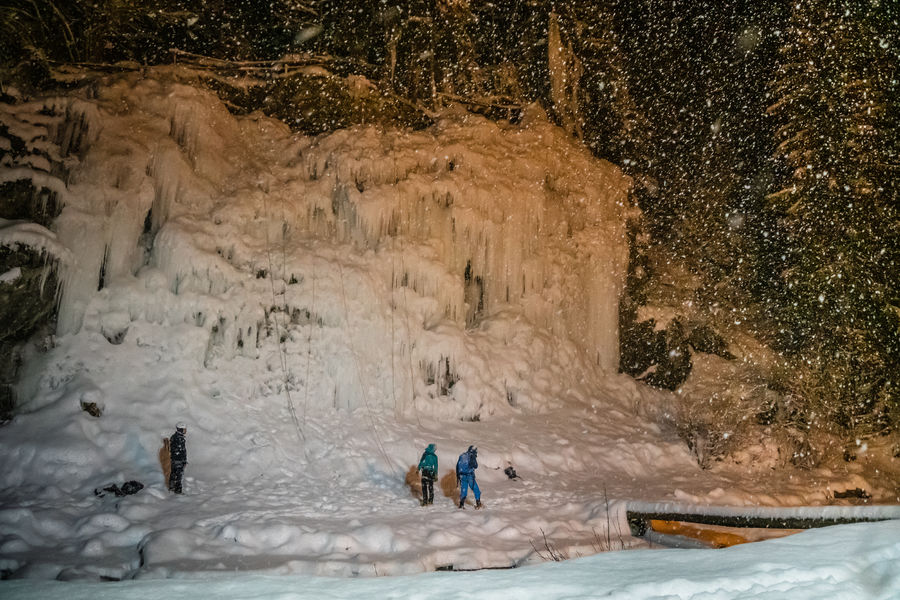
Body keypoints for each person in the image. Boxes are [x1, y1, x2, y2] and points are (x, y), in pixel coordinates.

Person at [455, 445, 482, 509]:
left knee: (464, 490)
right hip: (469, 476)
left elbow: (457, 466)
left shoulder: (462, 455)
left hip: (462, 475)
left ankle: (461, 505)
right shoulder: (472, 456)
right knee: (475, 489)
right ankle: (478, 503)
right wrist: (474, 458)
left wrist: (458, 475)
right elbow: (475, 466)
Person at [168, 422, 188, 494]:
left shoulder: (174, 437)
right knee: (179, 475)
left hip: (174, 459)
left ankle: (171, 486)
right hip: (178, 460)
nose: (185, 431)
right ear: (180, 429)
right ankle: (178, 491)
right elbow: (181, 451)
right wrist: (183, 460)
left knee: (173, 473)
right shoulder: (179, 438)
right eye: (184, 429)